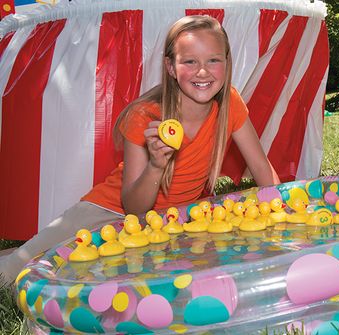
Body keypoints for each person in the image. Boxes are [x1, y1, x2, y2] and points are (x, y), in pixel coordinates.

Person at [0, 15, 280, 283]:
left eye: (213, 60)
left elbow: (260, 167)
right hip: (109, 210)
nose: (203, 71)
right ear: (171, 67)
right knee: (13, 275)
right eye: (190, 61)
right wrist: (157, 165)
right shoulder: (146, 115)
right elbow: (133, 206)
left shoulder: (230, 103)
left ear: (227, 63)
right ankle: (16, 257)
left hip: (171, 222)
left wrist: (282, 213)